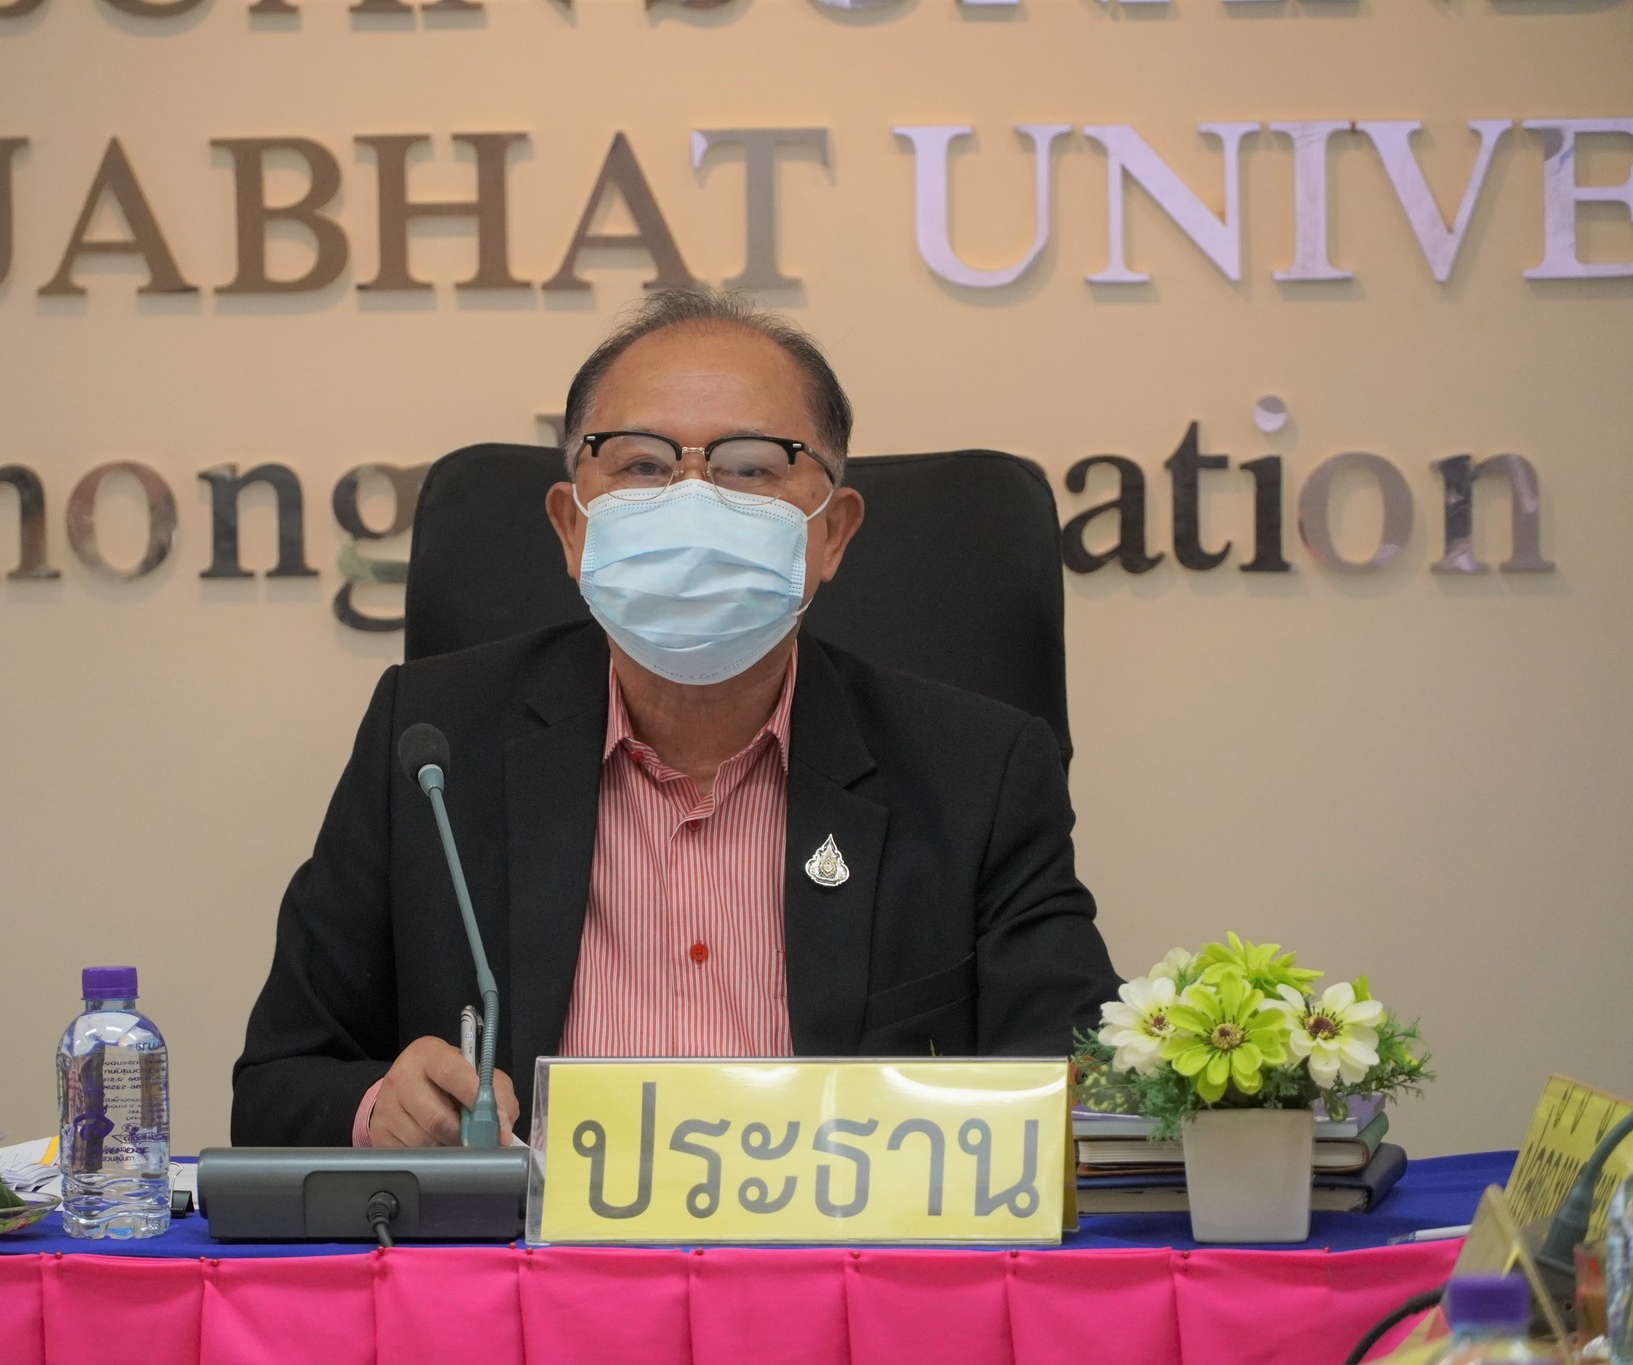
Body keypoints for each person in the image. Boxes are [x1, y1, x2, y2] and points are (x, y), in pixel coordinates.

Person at [232, 287, 1119, 1149]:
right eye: (642, 465)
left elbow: (1075, 1087)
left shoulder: (978, 773)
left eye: (750, 467)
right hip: (523, 1253)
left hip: (845, 1248)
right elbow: (277, 1082)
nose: (692, 499)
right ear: (571, 526)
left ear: (834, 533)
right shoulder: (433, 746)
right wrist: (380, 1109)